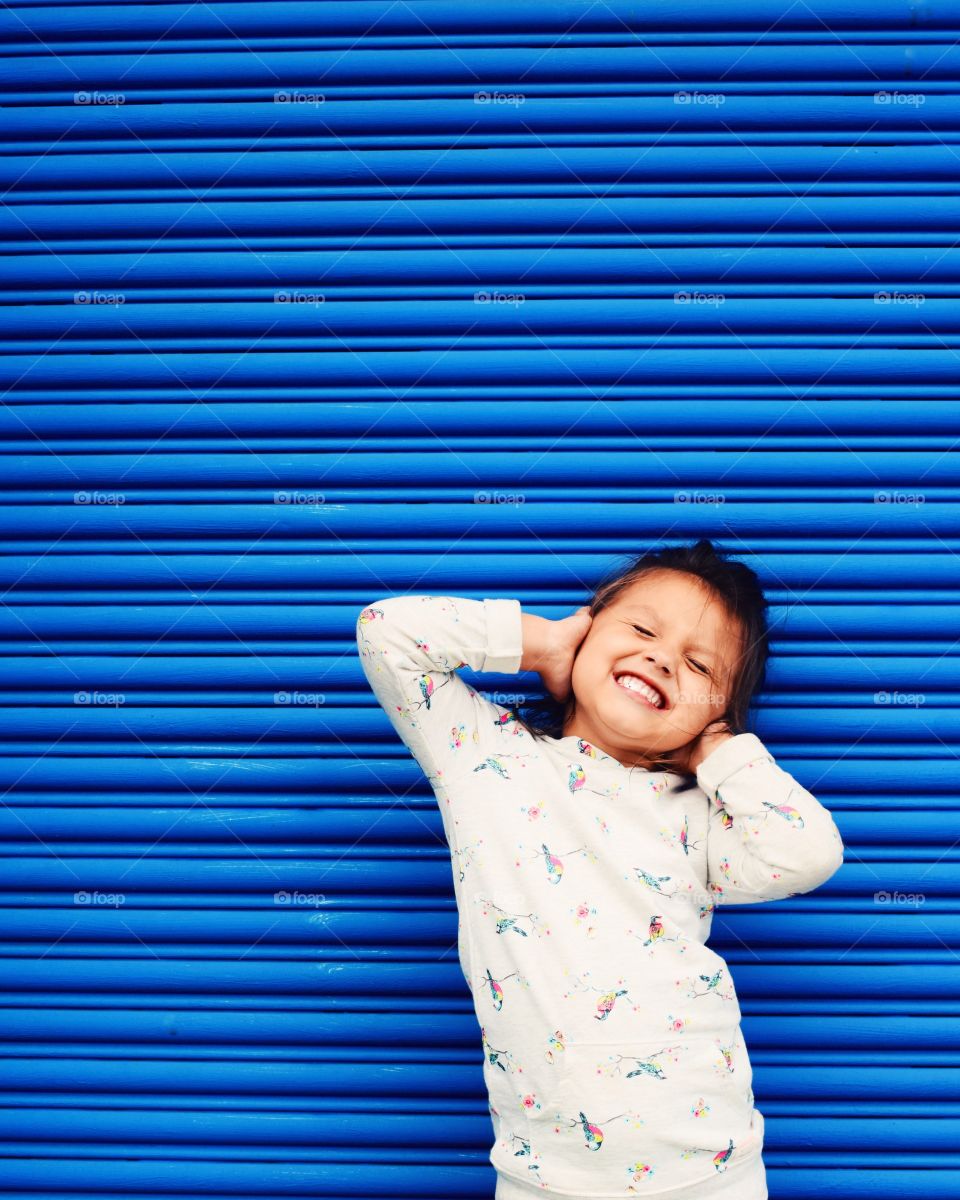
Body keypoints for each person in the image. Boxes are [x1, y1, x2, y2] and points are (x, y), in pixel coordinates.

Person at [355, 538, 844, 1200]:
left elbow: (808, 851)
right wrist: (544, 644)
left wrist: (720, 747)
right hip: (543, 1176)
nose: (661, 658)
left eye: (699, 666)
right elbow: (388, 630)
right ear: (588, 628)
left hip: (711, 1167)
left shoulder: (696, 819)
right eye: (641, 628)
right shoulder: (487, 758)